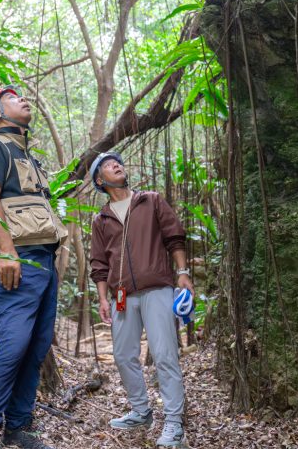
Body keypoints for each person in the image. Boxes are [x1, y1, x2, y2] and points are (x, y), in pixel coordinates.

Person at [0, 86, 67, 449]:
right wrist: (7, 251)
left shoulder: (27, 156)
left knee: (37, 345)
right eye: (12, 98)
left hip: (43, 261)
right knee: (12, 343)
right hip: (17, 260)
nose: (23, 100)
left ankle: (18, 426)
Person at [88, 152, 193, 448]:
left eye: (117, 162)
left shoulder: (150, 200)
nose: (116, 165)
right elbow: (99, 263)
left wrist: (183, 272)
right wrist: (103, 298)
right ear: (100, 180)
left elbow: (175, 237)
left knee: (164, 355)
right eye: (108, 165)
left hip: (157, 288)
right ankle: (141, 411)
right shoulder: (101, 219)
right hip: (121, 295)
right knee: (122, 355)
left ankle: (174, 423)